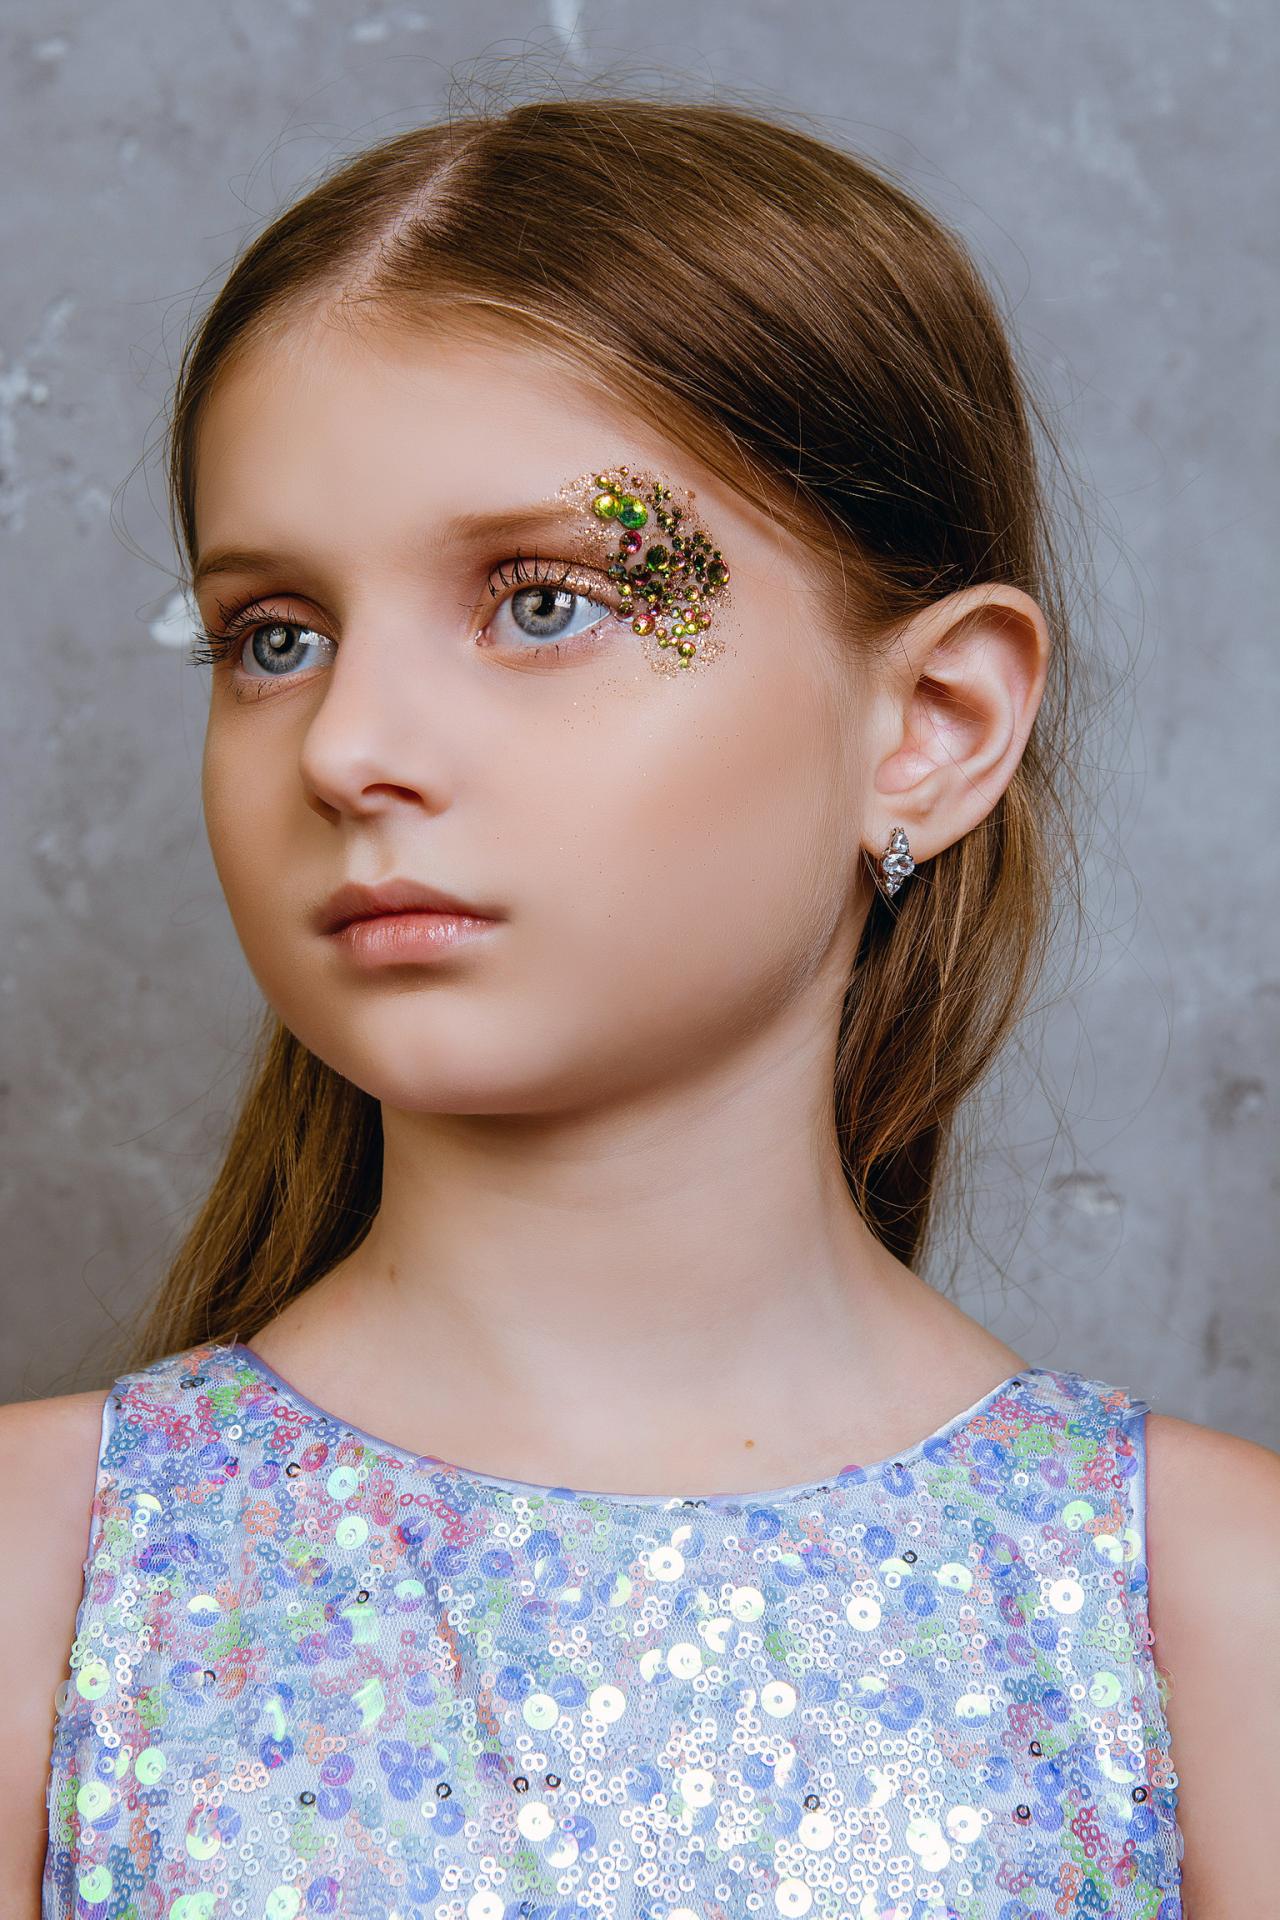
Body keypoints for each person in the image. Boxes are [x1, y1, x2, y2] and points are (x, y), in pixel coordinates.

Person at [2, 93, 1275, 1917]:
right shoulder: (44, 1586)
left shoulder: (1211, 1615)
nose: (350, 749)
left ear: (932, 727)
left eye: (544, 604)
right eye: (277, 636)